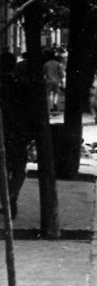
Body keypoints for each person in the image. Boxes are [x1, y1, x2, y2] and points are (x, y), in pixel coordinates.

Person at [3, 51, 34, 220]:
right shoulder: (22, 87)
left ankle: (6, 196)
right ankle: (12, 194)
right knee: (19, 169)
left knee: (4, 168)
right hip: (18, 135)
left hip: (5, 134)